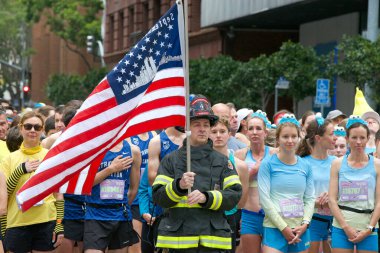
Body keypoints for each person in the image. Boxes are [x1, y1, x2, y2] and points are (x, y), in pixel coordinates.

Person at [152, 94, 242, 252]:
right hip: (178, 244)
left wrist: (207, 197)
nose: (202, 129)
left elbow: (234, 195)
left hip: (212, 244)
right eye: (196, 124)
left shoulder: (222, 162)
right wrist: (178, 186)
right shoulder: (171, 160)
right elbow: (159, 197)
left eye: (206, 125)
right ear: (187, 128)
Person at [0, 111, 63, 252]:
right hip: (17, 222)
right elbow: (6, 194)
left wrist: (59, 225)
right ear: (21, 128)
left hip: (46, 221)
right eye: (28, 126)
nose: (32, 130)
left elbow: (58, 194)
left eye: (37, 127)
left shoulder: (50, 156)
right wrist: (20, 170)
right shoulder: (9, 160)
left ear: (42, 130)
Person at [258, 113, 315, 253]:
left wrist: (305, 223)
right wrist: (283, 227)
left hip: (299, 229)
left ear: (299, 138)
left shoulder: (306, 166)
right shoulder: (267, 164)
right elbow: (264, 200)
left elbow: (310, 198)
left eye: (293, 136)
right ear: (277, 139)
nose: (290, 140)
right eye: (285, 136)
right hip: (274, 228)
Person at [328, 115, 380, 252]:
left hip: (368, 227)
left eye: (362, 138)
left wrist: (370, 228)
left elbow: (379, 202)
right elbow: (332, 200)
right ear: (347, 139)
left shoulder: (377, 165)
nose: (358, 142)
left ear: (368, 139)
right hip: (341, 227)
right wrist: (346, 227)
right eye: (354, 138)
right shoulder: (337, 164)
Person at [83, 140, 141, 252]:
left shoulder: (133, 150)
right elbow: (86, 184)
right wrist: (111, 169)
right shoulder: (93, 148)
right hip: (95, 214)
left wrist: (119, 206)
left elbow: (133, 189)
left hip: (121, 215)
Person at [235, 110, 276, 253]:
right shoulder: (239, 155)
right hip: (249, 216)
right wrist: (252, 173)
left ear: (265, 133)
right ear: (246, 132)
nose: (254, 132)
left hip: (272, 216)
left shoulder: (275, 154)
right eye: (251, 128)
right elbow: (235, 186)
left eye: (258, 128)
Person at [139, 127, 185, 253]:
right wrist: (144, 212)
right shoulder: (156, 154)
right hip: (154, 215)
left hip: (180, 216)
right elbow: (143, 188)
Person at [297, 113, 336, 253]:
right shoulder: (302, 163)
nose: (335, 137)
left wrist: (332, 198)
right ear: (319, 138)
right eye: (331, 134)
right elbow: (294, 196)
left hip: (334, 222)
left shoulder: (337, 163)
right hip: (311, 221)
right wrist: (315, 202)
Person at [210, 117, 249, 253]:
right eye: (214, 132)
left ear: (229, 134)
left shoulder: (240, 166)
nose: (218, 135)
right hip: (205, 218)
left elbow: (242, 201)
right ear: (208, 134)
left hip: (230, 218)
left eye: (222, 131)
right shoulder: (199, 163)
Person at [126, 131, 156, 253]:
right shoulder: (129, 137)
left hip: (149, 198)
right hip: (134, 198)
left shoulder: (153, 135)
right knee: (136, 247)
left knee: (151, 244)